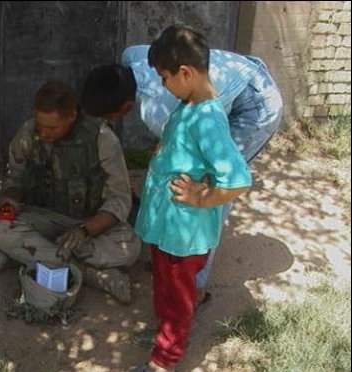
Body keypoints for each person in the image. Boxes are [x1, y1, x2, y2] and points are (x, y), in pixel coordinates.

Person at [82, 28, 283, 306]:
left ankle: (194, 283)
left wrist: (203, 194)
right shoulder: (131, 57)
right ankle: (172, 253)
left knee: (210, 186)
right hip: (237, 75)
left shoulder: (161, 109)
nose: (110, 122)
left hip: (255, 103)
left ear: (125, 106)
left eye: (110, 117)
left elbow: (218, 169)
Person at [122, 24, 252, 372]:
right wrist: (165, 150)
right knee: (164, 285)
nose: (162, 85)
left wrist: (203, 195)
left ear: (185, 73)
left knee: (178, 294)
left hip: (185, 232)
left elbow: (238, 179)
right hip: (168, 228)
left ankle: (163, 364)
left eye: (164, 77)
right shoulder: (189, 104)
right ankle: (165, 331)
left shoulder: (209, 119)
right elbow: (185, 145)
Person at [0, 80, 141, 303]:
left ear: (71, 116)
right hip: (45, 217)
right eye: (40, 125)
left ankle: (32, 255)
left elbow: (119, 200)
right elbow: (15, 177)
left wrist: (84, 230)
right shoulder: (28, 133)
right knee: (0, 230)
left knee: (130, 247)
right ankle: (92, 274)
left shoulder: (102, 139)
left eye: (52, 127)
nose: (44, 133)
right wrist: (10, 199)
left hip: (90, 222)